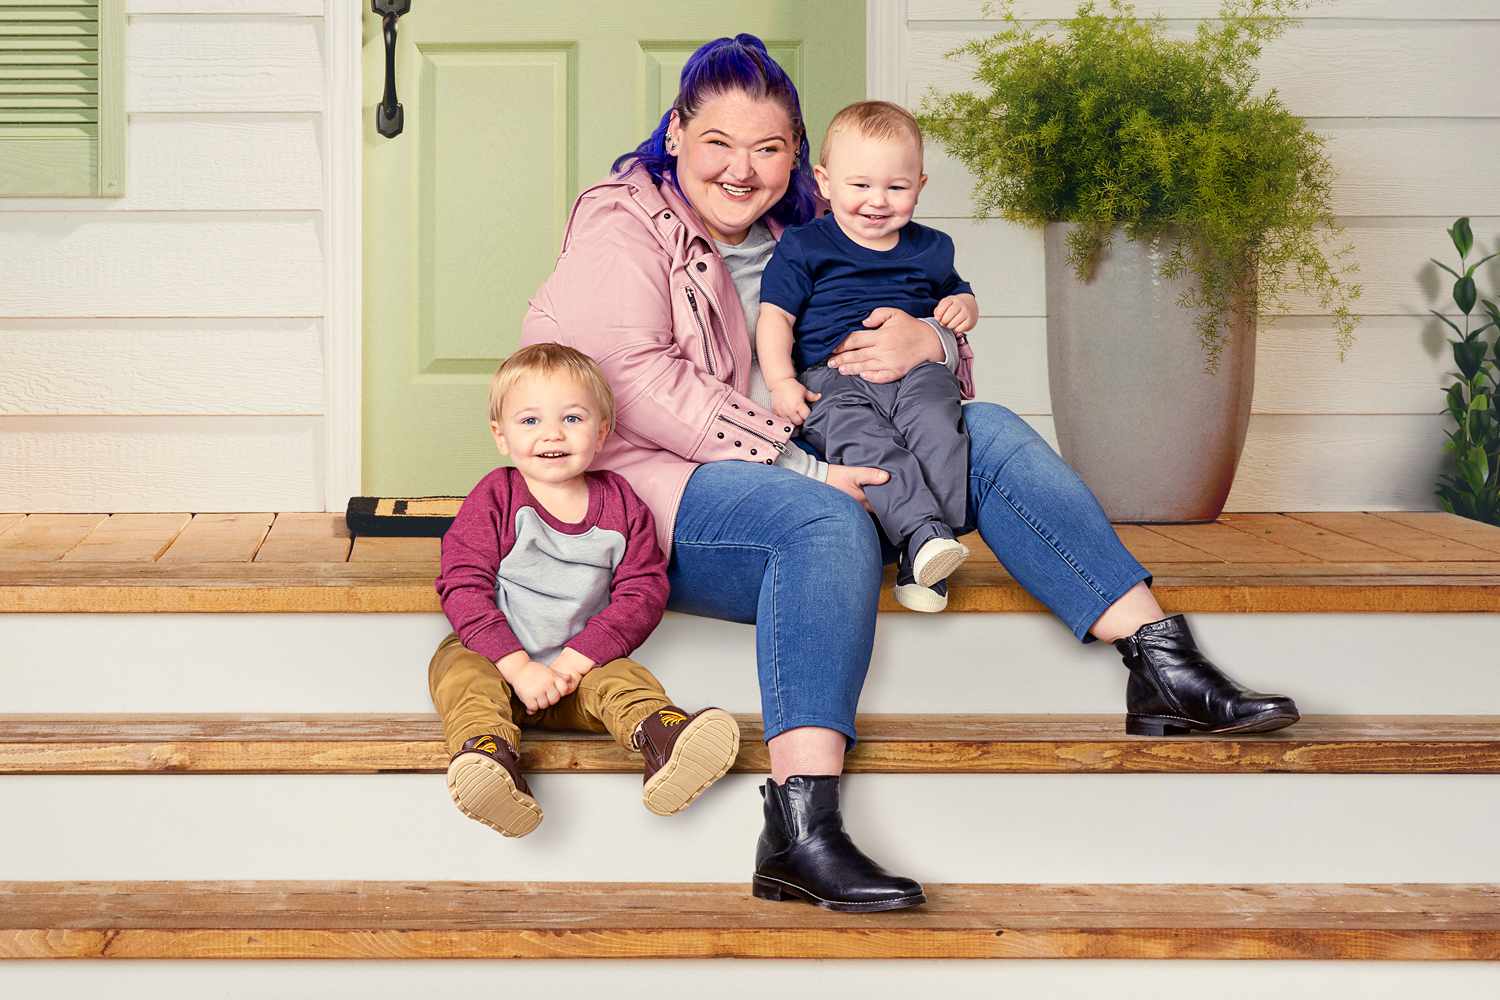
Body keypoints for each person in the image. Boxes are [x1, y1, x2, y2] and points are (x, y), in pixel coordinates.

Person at [512, 34, 1301, 912]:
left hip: (835, 447)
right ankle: (799, 834)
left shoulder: (817, 222)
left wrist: (936, 341)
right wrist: (801, 466)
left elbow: (920, 359)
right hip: (661, 498)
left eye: (770, 148)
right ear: (675, 133)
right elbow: (634, 380)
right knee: (823, 521)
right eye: (720, 144)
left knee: (988, 428)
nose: (744, 170)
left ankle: (1162, 664)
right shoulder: (623, 226)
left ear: (797, 156)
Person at [430, 343, 740, 839]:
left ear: (601, 432)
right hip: (495, 658)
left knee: (624, 678)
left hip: (576, 674)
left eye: (571, 418)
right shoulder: (497, 496)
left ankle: (664, 741)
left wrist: (573, 663)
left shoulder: (621, 504)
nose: (552, 434)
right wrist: (517, 666)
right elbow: (461, 586)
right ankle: (489, 759)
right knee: (460, 674)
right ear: (500, 435)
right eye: (529, 421)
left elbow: (642, 593)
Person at [758, 100, 977, 613]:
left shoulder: (932, 247)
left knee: (940, 434)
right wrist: (782, 383)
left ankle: (923, 555)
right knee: (868, 443)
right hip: (834, 378)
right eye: (860, 186)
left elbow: (956, 291)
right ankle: (923, 541)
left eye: (896, 188)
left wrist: (964, 304)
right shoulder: (805, 245)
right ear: (824, 182)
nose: (877, 201)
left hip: (918, 373)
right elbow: (775, 317)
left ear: (919, 186)